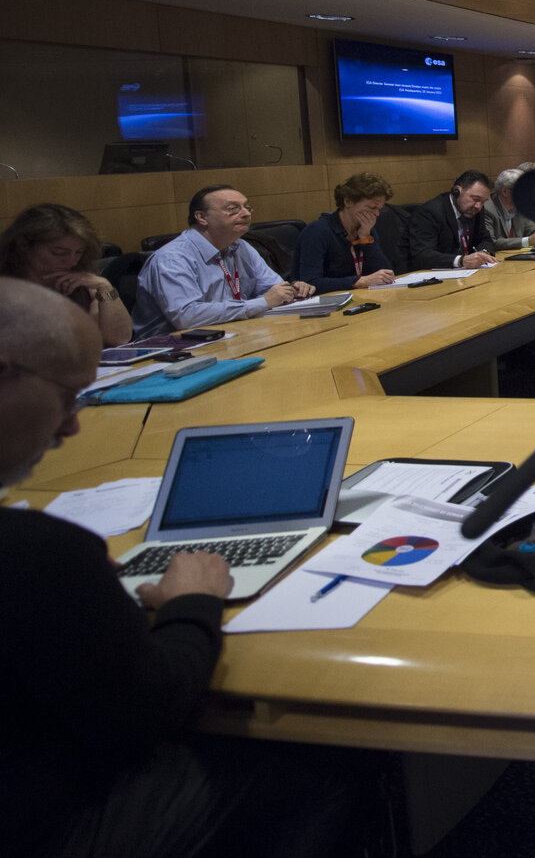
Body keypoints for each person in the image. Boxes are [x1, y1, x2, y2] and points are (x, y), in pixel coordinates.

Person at [1, 279, 368, 858]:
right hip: (44, 824)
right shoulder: (39, 553)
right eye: (70, 395)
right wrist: (192, 603)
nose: (73, 425)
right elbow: (152, 710)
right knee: (324, 769)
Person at [132, 186, 314, 336]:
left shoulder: (240, 247)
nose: (245, 214)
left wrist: (290, 291)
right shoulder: (172, 258)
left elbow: (273, 290)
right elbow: (186, 317)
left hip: (232, 334)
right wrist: (263, 302)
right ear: (202, 217)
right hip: (172, 351)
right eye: (233, 209)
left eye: (246, 208)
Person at [0, 203, 133, 345]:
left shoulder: (83, 283)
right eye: (59, 253)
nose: (72, 261)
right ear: (24, 246)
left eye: (79, 252)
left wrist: (105, 287)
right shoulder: (7, 287)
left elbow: (120, 338)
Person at [291, 172, 399, 292]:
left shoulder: (366, 229)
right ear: (348, 202)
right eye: (372, 208)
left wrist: (365, 239)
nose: (377, 214)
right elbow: (310, 282)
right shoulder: (317, 231)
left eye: (379, 209)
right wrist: (359, 281)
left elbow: (385, 275)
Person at [404, 171, 499, 273]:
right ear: (456, 191)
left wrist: (483, 253)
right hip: (435, 276)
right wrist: (460, 261)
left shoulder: (475, 210)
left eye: (483, 202)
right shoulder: (430, 212)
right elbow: (423, 255)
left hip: (468, 274)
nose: (478, 206)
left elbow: (485, 239)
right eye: (475, 199)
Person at [484, 167, 535, 251]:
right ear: (505, 191)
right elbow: (492, 242)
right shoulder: (487, 209)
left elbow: (534, 230)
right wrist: (527, 241)